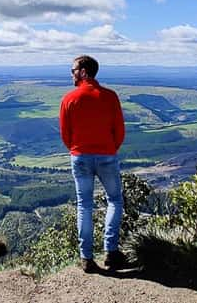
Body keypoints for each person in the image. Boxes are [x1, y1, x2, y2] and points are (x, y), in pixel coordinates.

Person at [59, 55, 127, 273]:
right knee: (115, 200)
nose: (71, 74)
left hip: (80, 157)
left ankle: (86, 258)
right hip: (107, 155)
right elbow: (120, 131)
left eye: (73, 70)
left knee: (84, 205)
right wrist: (109, 149)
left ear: (84, 72)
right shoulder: (110, 97)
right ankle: (111, 252)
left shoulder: (69, 99)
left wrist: (77, 149)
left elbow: (65, 134)